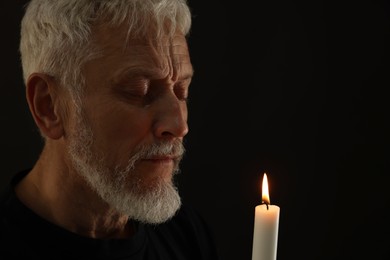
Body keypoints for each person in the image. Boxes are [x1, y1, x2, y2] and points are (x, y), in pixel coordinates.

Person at [0, 0, 220, 259]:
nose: (179, 126)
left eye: (181, 91)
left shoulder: (186, 234)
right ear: (49, 106)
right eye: (140, 90)